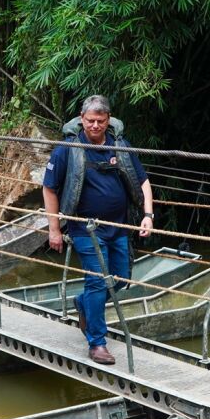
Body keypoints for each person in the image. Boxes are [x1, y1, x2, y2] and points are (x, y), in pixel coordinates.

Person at [42, 95, 154, 365]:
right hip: (86, 228)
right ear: (81, 119)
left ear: (108, 120)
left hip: (119, 227)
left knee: (120, 280)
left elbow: (143, 181)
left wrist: (148, 214)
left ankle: (83, 303)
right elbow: (49, 187)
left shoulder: (120, 145)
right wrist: (54, 228)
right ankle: (97, 343)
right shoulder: (66, 149)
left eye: (100, 121)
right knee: (96, 281)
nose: (94, 126)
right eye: (90, 120)